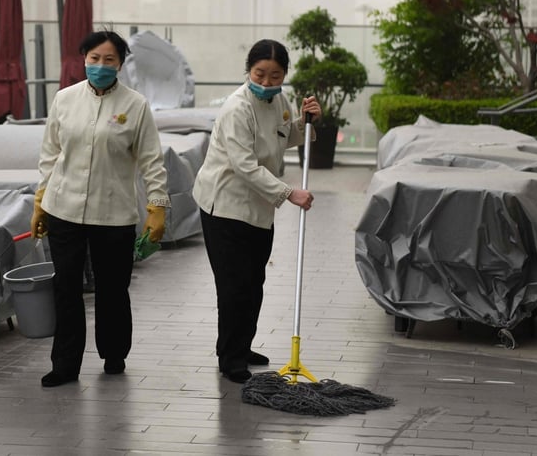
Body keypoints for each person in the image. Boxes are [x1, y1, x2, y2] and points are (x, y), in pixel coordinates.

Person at [30, 29, 170, 387]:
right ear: (84, 59)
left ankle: (114, 352)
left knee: (112, 288)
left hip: (114, 214)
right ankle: (65, 364)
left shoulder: (135, 105)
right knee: (66, 287)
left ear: (121, 64)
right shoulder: (64, 99)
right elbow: (50, 155)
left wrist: (157, 206)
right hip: (65, 209)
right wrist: (40, 201)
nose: (101, 66)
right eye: (95, 58)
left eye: (109, 60)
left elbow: (152, 161)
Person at [192, 39, 321, 383]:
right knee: (234, 285)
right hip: (225, 207)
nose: (266, 82)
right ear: (248, 70)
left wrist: (305, 122)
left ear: (284, 76)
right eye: (259, 74)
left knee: (253, 282)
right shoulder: (237, 108)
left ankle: (242, 345)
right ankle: (230, 357)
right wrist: (289, 192)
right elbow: (245, 166)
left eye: (275, 76)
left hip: (259, 209)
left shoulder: (279, 101)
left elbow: (284, 137)